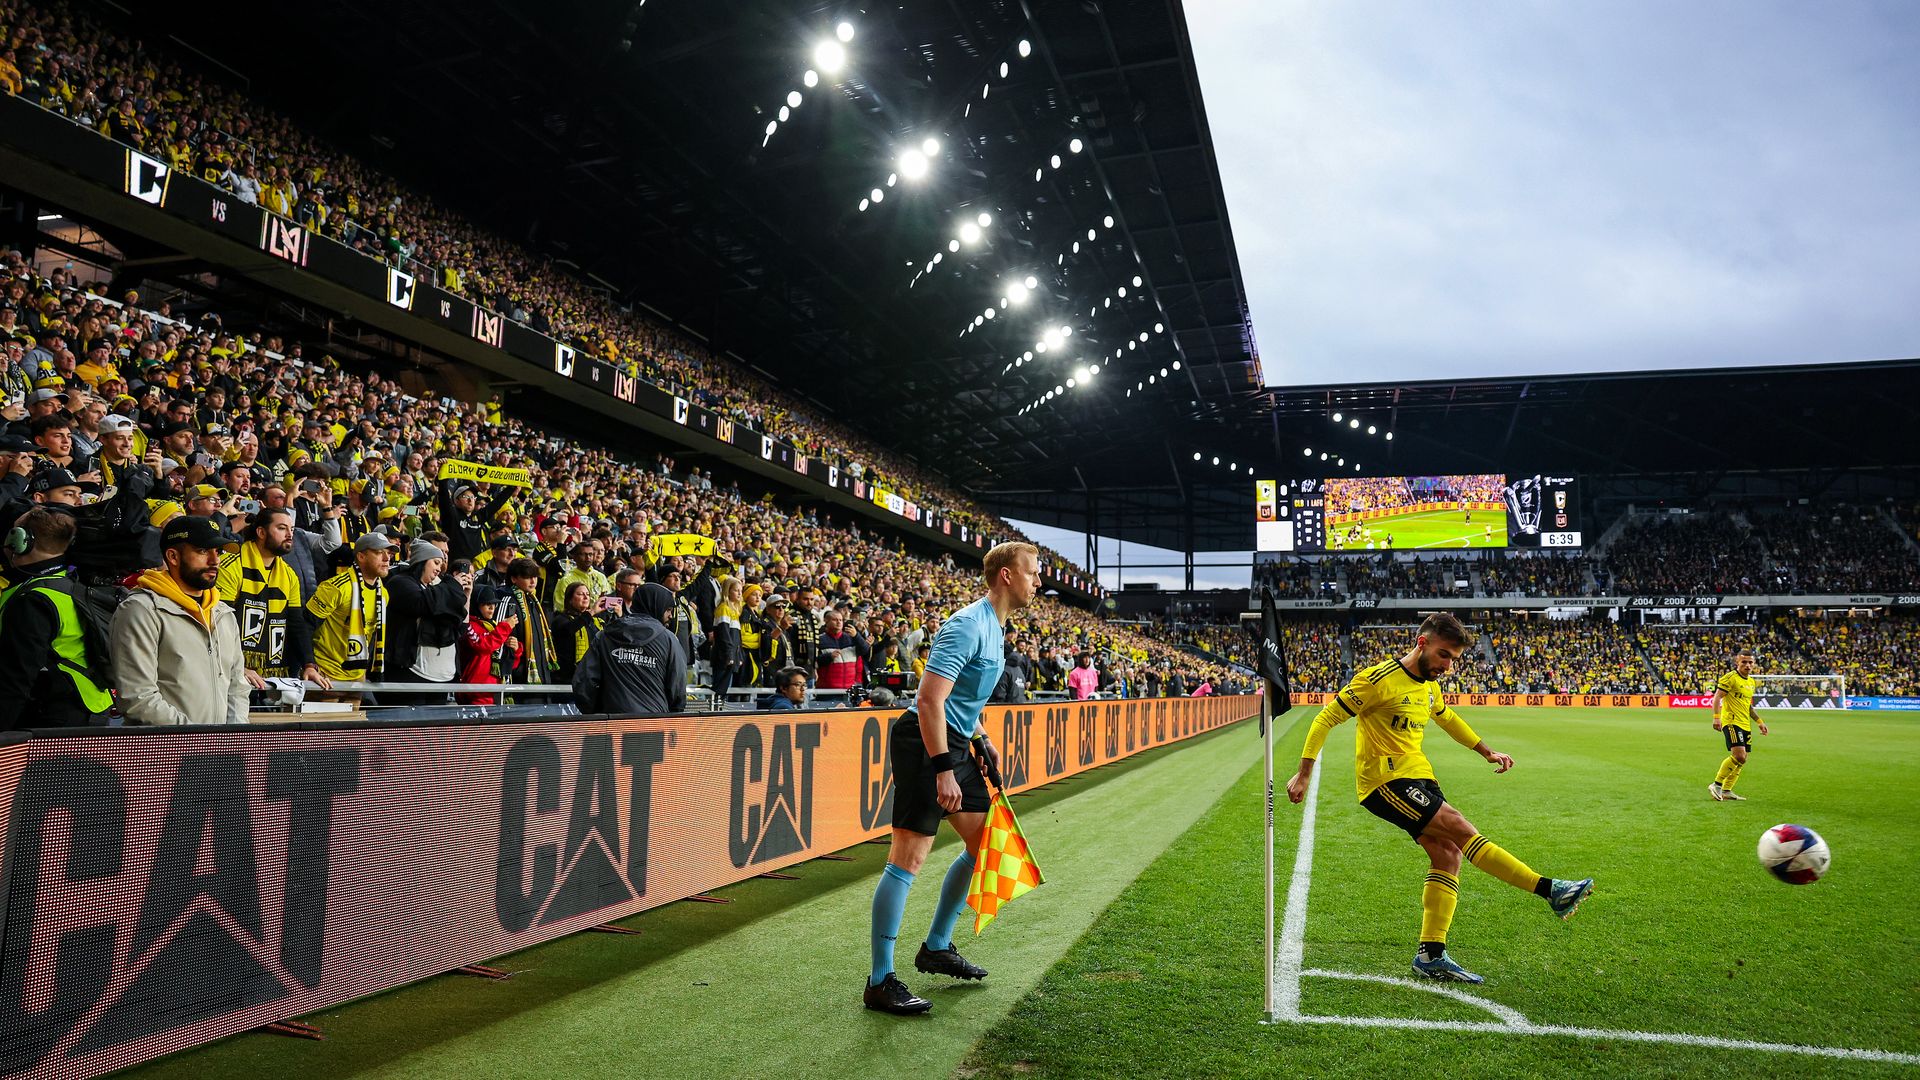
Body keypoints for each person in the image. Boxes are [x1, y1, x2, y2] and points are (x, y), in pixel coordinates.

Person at [1285, 612, 1593, 985]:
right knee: (1461, 827)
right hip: (1385, 781)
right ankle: (1551, 890)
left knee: (1448, 854)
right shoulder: (1376, 680)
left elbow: (1447, 719)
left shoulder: (1429, 686)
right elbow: (1325, 718)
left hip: (1421, 777)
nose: (1448, 666)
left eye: (1454, 659)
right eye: (1445, 655)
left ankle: (1431, 955)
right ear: (1422, 643)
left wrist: (1486, 751)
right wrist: (1304, 773)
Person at [863, 541, 1039, 1016]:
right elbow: (929, 701)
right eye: (1031, 573)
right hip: (924, 744)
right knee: (909, 856)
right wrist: (944, 769)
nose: (1037, 581)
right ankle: (880, 981)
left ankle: (937, 946)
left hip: (956, 742)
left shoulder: (995, 628)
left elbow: (964, 699)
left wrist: (981, 738)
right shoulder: (966, 625)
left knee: (986, 845)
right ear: (1006, 575)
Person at [109, 515, 251, 725]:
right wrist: (194, 739)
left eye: (217, 551)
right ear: (173, 557)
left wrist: (229, 740)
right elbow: (138, 697)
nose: (215, 561)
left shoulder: (223, 614)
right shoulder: (141, 609)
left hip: (217, 751)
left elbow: (237, 688)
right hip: (163, 752)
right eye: (203, 551)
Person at [0, 507, 113, 728]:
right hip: (93, 707)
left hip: (54, 717)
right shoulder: (71, 583)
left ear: (20, 541)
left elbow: (16, 678)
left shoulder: (33, 600)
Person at [217, 506, 327, 690]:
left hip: (272, 673)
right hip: (229, 670)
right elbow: (219, 623)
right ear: (261, 532)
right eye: (282, 528)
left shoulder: (289, 574)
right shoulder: (231, 565)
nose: (289, 534)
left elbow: (296, 623)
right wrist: (237, 665)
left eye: (291, 529)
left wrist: (309, 664)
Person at [572, 581, 686, 715]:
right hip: (654, 724)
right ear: (657, 606)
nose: (671, 616)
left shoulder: (604, 635)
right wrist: (670, 714)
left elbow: (584, 682)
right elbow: (677, 688)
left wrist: (597, 712)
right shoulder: (669, 640)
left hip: (611, 723)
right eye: (668, 610)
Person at [307, 532, 394, 685]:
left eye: (389, 553)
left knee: (356, 711)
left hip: (358, 674)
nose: (387, 559)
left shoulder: (383, 594)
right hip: (326, 674)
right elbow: (305, 626)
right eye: (379, 553)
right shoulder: (336, 587)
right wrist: (309, 665)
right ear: (361, 557)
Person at [1708, 648, 1767, 802]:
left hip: (1745, 724)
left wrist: (1759, 722)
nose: (1747, 665)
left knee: (1743, 759)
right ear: (1737, 663)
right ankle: (1716, 784)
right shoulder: (1730, 678)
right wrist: (1716, 717)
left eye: (1750, 662)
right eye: (1744, 662)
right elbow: (1717, 697)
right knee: (1739, 755)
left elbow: (1748, 706)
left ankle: (1727, 790)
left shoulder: (1751, 682)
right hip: (1731, 721)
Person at [459, 583, 522, 706]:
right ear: (475, 605)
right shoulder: (469, 625)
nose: (492, 608)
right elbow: (483, 645)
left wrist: (516, 650)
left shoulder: (495, 627)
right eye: (487, 604)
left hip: (497, 692)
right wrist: (504, 627)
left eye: (494, 604)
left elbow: (509, 665)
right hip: (476, 693)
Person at [551, 580, 606, 684]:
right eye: (580, 594)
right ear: (570, 600)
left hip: (591, 676)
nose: (585, 597)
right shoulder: (561, 619)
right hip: (567, 678)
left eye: (588, 594)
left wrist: (618, 616)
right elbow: (569, 629)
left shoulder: (596, 621)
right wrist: (592, 612)